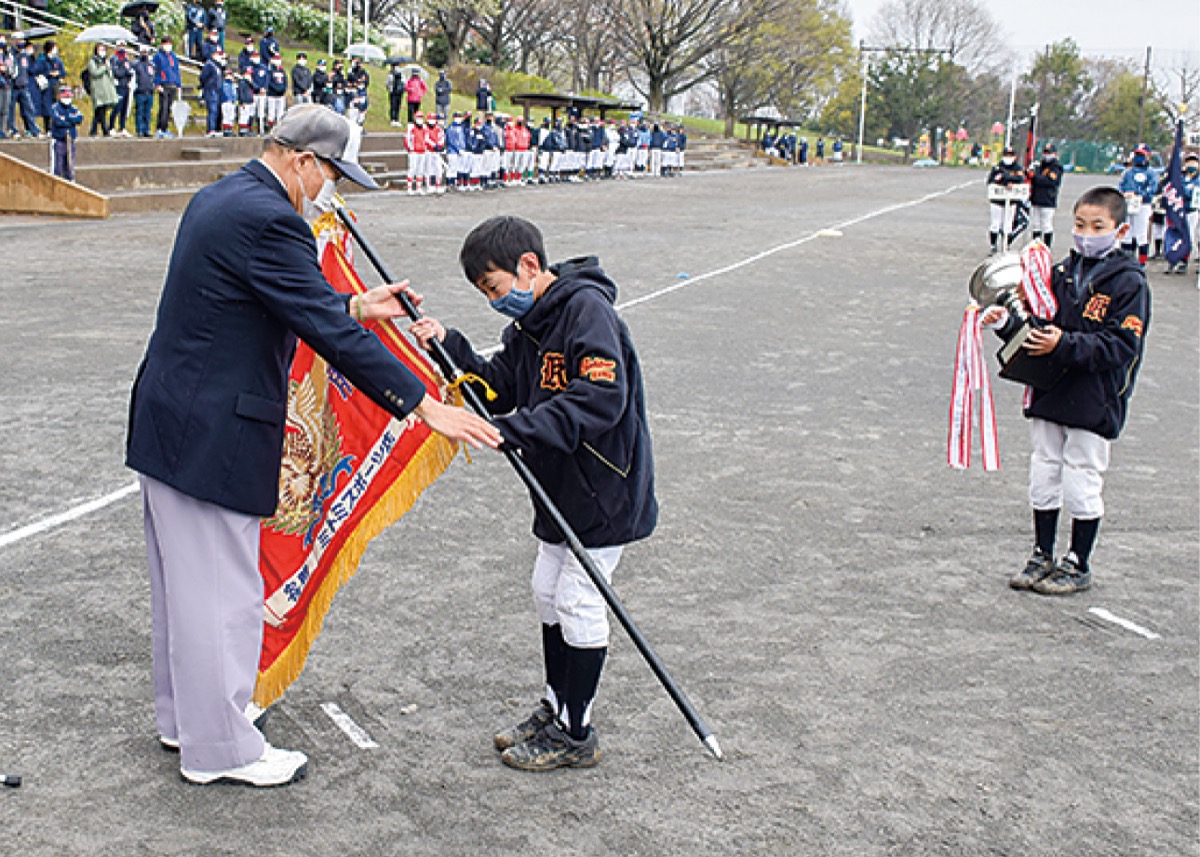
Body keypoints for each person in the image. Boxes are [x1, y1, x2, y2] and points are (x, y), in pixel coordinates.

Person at [125, 104, 501, 788]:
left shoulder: (224, 196)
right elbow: (327, 335)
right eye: (331, 173)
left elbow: (269, 301)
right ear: (300, 160)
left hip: (173, 421)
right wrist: (424, 406)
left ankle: (187, 720)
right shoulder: (272, 219)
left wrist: (359, 305)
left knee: (184, 592)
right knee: (223, 596)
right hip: (213, 430)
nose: (334, 190)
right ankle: (223, 750)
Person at [408, 216, 656, 771]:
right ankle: (555, 705)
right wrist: (447, 345)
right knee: (547, 589)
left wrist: (511, 433)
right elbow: (497, 388)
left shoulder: (586, 311)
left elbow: (599, 401)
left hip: (602, 488)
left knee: (577, 598)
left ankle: (576, 732)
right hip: (558, 486)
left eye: (494, 288)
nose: (494, 301)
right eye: (483, 294)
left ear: (527, 266)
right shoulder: (529, 328)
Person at [982, 186, 1150, 595]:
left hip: (1094, 397)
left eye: (1098, 226)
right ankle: (1042, 552)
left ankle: (1078, 561)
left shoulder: (1129, 284)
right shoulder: (1059, 273)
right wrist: (1007, 323)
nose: (1086, 233)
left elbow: (1122, 346)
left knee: (1082, 476)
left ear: (1120, 229)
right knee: (1044, 469)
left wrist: (1064, 345)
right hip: (1051, 389)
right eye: (1079, 224)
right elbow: (1041, 325)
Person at [1117, 146, 1159, 264]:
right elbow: (1121, 185)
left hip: (1143, 205)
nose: (1139, 158)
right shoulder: (1128, 172)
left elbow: (1153, 188)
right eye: (1137, 155)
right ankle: (1126, 260)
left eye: (1142, 155)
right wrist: (1123, 193)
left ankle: (1141, 263)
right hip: (1128, 203)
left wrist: (1138, 193)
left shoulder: (1151, 173)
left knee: (1141, 233)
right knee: (1127, 232)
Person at [987, 146, 1026, 253]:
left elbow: (1020, 179)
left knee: (1008, 225)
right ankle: (993, 245)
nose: (1008, 158)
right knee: (995, 224)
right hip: (997, 201)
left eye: (1010, 156)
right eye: (1006, 155)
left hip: (1011, 201)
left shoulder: (1017, 168)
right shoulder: (997, 167)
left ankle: (1006, 245)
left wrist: (1005, 178)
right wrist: (1006, 181)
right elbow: (991, 181)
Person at [1028, 143, 1064, 247]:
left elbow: (1051, 181)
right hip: (1036, 198)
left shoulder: (1056, 167)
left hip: (1048, 199)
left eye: (1049, 153)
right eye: (1045, 153)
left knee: (1046, 225)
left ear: (1055, 154)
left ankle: (1047, 246)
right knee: (1036, 225)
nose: (1046, 155)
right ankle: (1035, 246)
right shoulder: (1039, 166)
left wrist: (1035, 177)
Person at [48, 85, 82, 180]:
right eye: (65, 96)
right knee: (57, 167)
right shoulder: (55, 108)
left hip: (70, 141)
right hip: (59, 141)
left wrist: (67, 118)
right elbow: (58, 121)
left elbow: (79, 118)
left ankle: (70, 181)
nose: (67, 98)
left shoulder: (74, 108)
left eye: (68, 96)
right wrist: (71, 121)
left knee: (70, 167)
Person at [85, 43, 118, 137]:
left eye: (104, 49)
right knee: (100, 109)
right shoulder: (93, 61)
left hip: (106, 90)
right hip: (98, 89)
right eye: (100, 49)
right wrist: (104, 67)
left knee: (100, 110)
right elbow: (95, 72)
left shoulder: (106, 61)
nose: (102, 51)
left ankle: (93, 130)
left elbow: (110, 75)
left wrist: (108, 67)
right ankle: (105, 130)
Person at [153, 36, 181, 139]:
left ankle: (165, 128)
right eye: (166, 43)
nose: (168, 46)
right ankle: (160, 128)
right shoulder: (158, 56)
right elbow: (155, 71)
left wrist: (178, 84)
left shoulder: (173, 56)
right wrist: (157, 84)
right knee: (163, 107)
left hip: (172, 84)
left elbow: (176, 70)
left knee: (168, 108)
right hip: (163, 85)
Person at [34, 41, 65, 133]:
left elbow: (63, 72)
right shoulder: (42, 59)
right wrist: (48, 73)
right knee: (47, 107)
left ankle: (57, 126)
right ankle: (48, 128)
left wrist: (58, 73)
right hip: (46, 86)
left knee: (57, 107)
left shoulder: (57, 60)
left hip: (56, 85)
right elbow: (37, 71)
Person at [13, 40, 42, 138]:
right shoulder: (11, 54)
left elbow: (31, 69)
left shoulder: (25, 56)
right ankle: (13, 130)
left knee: (29, 108)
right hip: (13, 86)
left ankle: (34, 129)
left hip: (24, 85)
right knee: (10, 110)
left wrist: (33, 58)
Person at [109, 44, 134, 137]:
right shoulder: (114, 59)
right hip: (118, 86)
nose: (122, 48)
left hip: (126, 85)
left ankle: (122, 127)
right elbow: (117, 73)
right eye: (120, 46)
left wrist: (126, 72)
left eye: (123, 46)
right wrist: (125, 71)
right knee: (117, 107)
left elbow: (130, 72)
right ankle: (111, 127)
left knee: (125, 108)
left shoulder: (126, 59)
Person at [132, 44, 155, 138]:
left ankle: (147, 129)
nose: (144, 54)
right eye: (143, 52)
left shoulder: (151, 65)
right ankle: (139, 130)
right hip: (140, 92)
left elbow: (153, 76)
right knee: (139, 112)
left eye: (146, 52)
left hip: (149, 91)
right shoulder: (136, 64)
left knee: (148, 112)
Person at [199, 49, 224, 137]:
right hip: (211, 90)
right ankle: (210, 129)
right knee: (212, 110)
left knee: (216, 110)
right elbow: (203, 77)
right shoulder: (209, 65)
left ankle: (215, 128)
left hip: (217, 90)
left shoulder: (218, 65)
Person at [265, 54, 287, 132]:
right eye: (276, 59)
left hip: (281, 95)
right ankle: (270, 128)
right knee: (271, 112)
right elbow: (269, 82)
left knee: (280, 112)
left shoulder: (282, 71)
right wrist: (276, 89)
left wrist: (283, 89)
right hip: (272, 95)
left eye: (279, 59)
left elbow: (285, 82)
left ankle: (279, 128)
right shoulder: (270, 71)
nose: (278, 61)